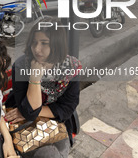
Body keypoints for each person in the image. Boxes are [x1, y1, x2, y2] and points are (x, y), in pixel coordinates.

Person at [5, 16, 81, 158]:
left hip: (55, 122)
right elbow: (28, 111)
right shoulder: (22, 66)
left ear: (57, 44)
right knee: (48, 154)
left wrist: (36, 111)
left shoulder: (71, 68)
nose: (37, 49)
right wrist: (35, 78)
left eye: (44, 43)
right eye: (34, 43)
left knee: (52, 153)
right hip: (23, 123)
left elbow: (68, 107)